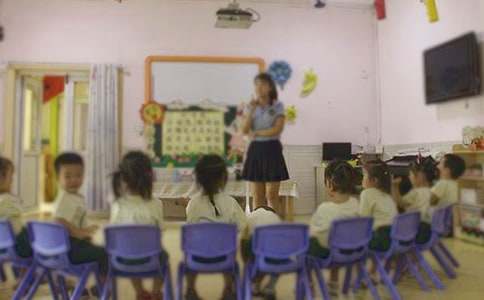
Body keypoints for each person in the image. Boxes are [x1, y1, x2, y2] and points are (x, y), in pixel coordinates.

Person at [186, 155, 247, 300]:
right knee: (230, 251)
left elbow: (192, 228)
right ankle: (228, 289)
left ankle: (190, 289)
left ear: (198, 179)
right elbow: (242, 227)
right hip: (224, 257)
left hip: (198, 258)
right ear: (223, 178)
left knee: (190, 251)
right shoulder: (231, 203)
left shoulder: (193, 204)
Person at [110, 151, 166, 300]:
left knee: (129, 249)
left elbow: (114, 233)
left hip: (122, 260)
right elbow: (159, 233)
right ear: (149, 178)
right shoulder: (156, 204)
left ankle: (140, 291)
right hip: (151, 258)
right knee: (164, 256)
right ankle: (156, 292)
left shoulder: (117, 205)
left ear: (123, 179)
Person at [53, 152, 107, 295]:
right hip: (71, 248)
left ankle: (81, 287)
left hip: (70, 245)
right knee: (106, 253)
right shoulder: (65, 199)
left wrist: (85, 229)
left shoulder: (74, 196)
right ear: (58, 178)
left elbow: (74, 219)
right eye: (68, 176)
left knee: (95, 249)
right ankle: (101, 287)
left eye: (78, 175)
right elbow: (60, 221)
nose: (74, 180)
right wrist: (79, 232)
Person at [242, 73, 289, 216]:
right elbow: (245, 130)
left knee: (272, 195)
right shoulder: (251, 107)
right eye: (256, 84)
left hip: (272, 149)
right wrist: (251, 110)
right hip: (256, 150)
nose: (259, 88)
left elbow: (277, 129)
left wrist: (257, 133)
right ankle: (259, 226)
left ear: (270, 87)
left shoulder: (278, 106)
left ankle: (275, 226)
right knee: (258, 195)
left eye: (262, 84)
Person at [309, 160, 359, 295]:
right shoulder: (356, 204)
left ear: (330, 185)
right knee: (336, 239)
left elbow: (313, 232)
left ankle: (308, 285)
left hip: (332, 256)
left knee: (308, 246)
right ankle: (333, 282)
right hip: (353, 252)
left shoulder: (325, 208)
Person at [241, 206, 281, 299]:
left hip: (256, 248)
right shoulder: (276, 218)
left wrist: (246, 262)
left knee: (254, 260)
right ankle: (270, 287)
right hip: (276, 253)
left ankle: (254, 285)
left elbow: (243, 240)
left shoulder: (251, 217)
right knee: (277, 260)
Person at [359, 160, 398, 253]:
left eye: (364, 175)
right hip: (394, 237)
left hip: (380, 239)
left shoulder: (367, 193)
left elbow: (363, 220)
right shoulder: (388, 196)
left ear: (374, 180)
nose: (362, 179)